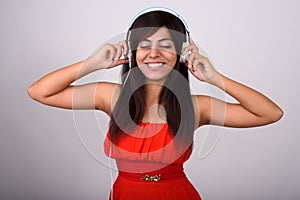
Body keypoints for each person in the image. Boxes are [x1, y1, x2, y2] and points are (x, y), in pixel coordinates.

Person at [28, 8, 283, 200]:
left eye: (165, 45)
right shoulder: (111, 97)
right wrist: (93, 64)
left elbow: (270, 113)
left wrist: (215, 78)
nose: (153, 53)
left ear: (181, 54)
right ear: (133, 53)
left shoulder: (195, 107)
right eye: (144, 45)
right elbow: (39, 92)